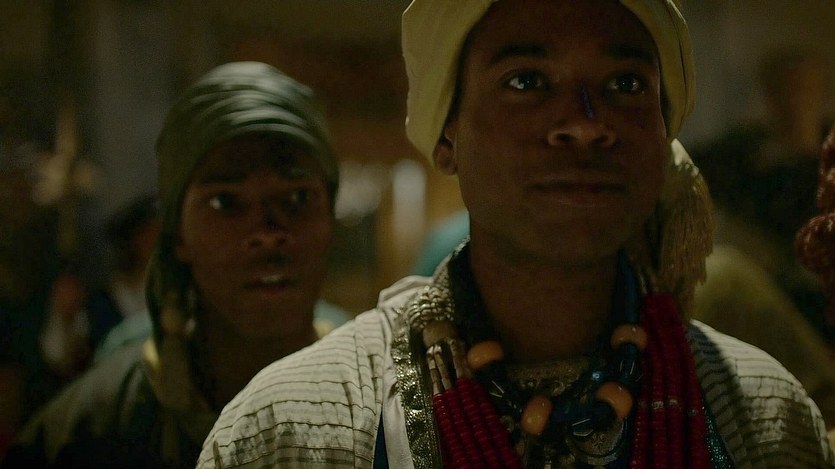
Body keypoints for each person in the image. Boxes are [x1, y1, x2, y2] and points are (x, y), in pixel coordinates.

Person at [200, 1, 834, 467]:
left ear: (662, 132)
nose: (585, 124)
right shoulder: (293, 428)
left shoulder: (764, 416)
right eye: (526, 81)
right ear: (447, 136)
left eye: (626, 84)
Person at [3, 61, 343, 468]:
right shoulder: (96, 426)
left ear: (330, 218)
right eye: (225, 203)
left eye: (298, 199)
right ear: (178, 233)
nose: (268, 233)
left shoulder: (383, 402)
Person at [38, 195, 161, 378]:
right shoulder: (100, 302)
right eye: (148, 235)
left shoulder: (171, 292)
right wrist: (66, 319)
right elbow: (59, 356)